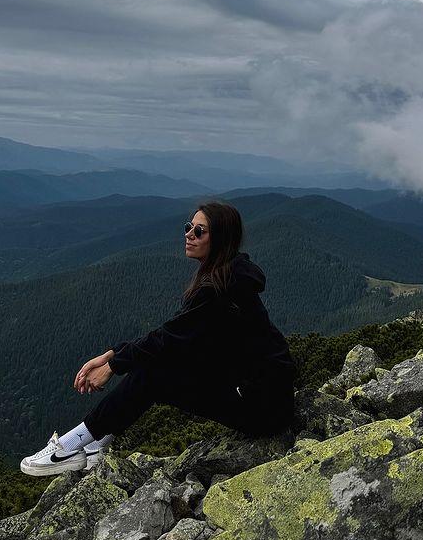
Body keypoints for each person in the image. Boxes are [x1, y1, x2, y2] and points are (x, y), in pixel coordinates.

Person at [20, 200, 297, 476]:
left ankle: (68, 447)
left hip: (262, 407)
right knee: (155, 362)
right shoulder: (228, 276)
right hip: (258, 393)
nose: (189, 234)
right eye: (189, 227)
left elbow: (167, 338)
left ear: (221, 238)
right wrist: (115, 354)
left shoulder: (218, 290)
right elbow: (175, 332)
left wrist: (113, 366)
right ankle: (96, 444)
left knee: (152, 374)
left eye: (200, 231)